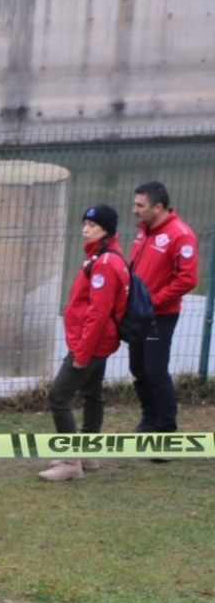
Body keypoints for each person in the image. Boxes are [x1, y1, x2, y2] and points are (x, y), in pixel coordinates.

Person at [40, 205, 130, 482]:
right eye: (85, 223)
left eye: (93, 225)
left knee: (58, 395)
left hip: (91, 344)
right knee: (93, 394)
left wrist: (81, 352)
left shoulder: (104, 263)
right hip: (98, 343)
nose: (85, 229)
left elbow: (98, 313)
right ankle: (87, 451)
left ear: (107, 231)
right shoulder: (101, 257)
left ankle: (71, 462)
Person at [128, 181, 198, 435]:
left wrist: (153, 302)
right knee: (137, 368)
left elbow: (187, 279)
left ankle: (166, 431)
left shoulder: (181, 235)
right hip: (137, 314)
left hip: (161, 315)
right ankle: (149, 421)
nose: (134, 210)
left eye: (140, 205)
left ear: (158, 207)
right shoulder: (143, 231)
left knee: (155, 371)